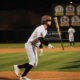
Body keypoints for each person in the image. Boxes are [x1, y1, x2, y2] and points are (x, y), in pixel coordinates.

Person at [13, 15, 54, 80]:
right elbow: (40, 38)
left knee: (34, 64)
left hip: (34, 46)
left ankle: (17, 67)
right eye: (49, 21)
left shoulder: (45, 30)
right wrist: (48, 44)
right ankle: (23, 77)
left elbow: (39, 40)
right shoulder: (40, 28)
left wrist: (41, 49)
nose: (50, 22)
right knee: (32, 62)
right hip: (29, 45)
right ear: (45, 21)